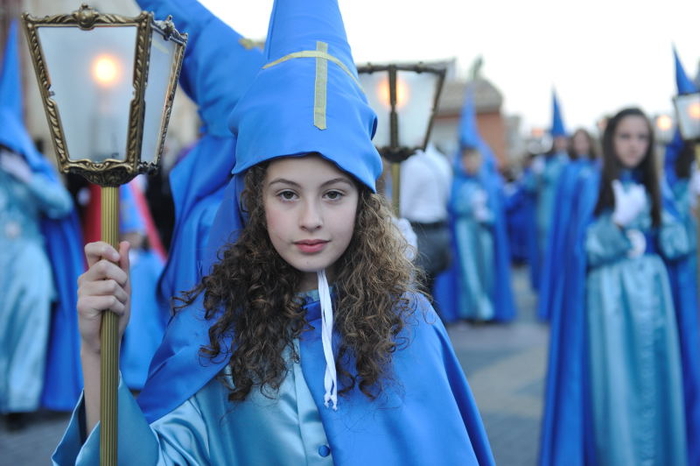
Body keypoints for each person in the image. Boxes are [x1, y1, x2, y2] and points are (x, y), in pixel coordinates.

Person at [52, 0, 495, 464]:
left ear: (363, 202)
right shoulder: (211, 331)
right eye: (287, 194)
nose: (310, 219)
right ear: (254, 200)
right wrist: (97, 352)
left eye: (334, 194)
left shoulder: (409, 324)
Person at [540, 107, 693, 465]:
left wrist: (687, 209)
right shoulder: (589, 182)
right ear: (610, 141)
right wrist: (618, 226)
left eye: (642, 137)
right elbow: (581, 253)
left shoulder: (656, 185)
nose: (634, 145)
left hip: (655, 303)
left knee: (656, 383)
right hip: (608, 302)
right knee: (616, 388)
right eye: (626, 136)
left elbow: (676, 246)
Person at [0, 21, 84, 431]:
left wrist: (24, 175)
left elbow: (60, 204)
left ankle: (19, 404)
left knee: (28, 333)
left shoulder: (28, 169)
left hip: (28, 261)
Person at [434, 87, 516, 323]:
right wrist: (467, 209)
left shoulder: (490, 182)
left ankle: (489, 308)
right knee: (468, 272)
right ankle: (474, 311)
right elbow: (452, 207)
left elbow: (500, 213)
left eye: (473, 157)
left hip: (484, 232)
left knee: (486, 271)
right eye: (466, 157)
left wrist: (486, 214)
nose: (469, 162)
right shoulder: (457, 182)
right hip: (464, 232)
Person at [537, 128, 598, 321]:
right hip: (570, 227)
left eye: (584, 141)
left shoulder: (598, 167)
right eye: (577, 142)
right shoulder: (566, 169)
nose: (581, 146)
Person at [399, 142, 452, 302]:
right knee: (431, 288)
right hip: (441, 231)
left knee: (422, 293)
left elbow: (402, 206)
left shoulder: (413, 164)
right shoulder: (441, 160)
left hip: (422, 233)